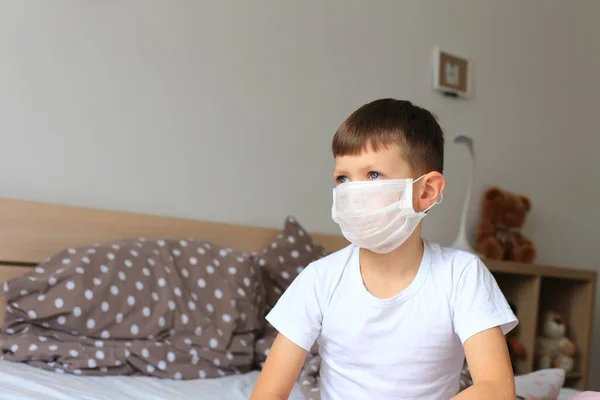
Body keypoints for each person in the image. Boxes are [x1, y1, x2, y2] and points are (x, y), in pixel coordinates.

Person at [250, 99, 518, 400]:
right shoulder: (319, 279)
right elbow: (268, 393)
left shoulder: (461, 275)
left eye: (373, 174)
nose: (352, 193)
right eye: (342, 179)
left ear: (426, 191)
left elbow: (496, 388)